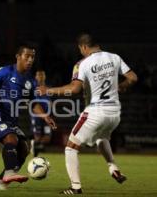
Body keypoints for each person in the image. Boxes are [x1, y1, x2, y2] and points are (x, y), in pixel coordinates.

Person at [38, 33, 138, 195]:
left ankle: (75, 187)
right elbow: (133, 78)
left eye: (80, 49)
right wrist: (121, 86)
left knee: (71, 148)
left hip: (96, 112)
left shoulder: (82, 63)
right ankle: (113, 167)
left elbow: (74, 89)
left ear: (83, 47)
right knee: (101, 138)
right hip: (114, 113)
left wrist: (48, 90)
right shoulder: (114, 57)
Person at [0, 43, 57, 191]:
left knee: (24, 149)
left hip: (11, 120)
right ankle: (9, 173)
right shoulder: (6, 71)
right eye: (27, 56)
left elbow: (33, 103)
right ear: (18, 57)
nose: (30, 60)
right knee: (11, 139)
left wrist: (45, 116)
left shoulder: (30, 81)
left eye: (32, 57)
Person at [30, 70, 52, 157]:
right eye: (39, 75)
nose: (40, 77)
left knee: (47, 137)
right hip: (36, 116)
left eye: (42, 75)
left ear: (45, 77)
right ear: (35, 77)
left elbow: (50, 100)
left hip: (48, 115)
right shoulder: (33, 88)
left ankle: (35, 147)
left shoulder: (48, 88)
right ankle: (35, 148)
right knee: (37, 136)